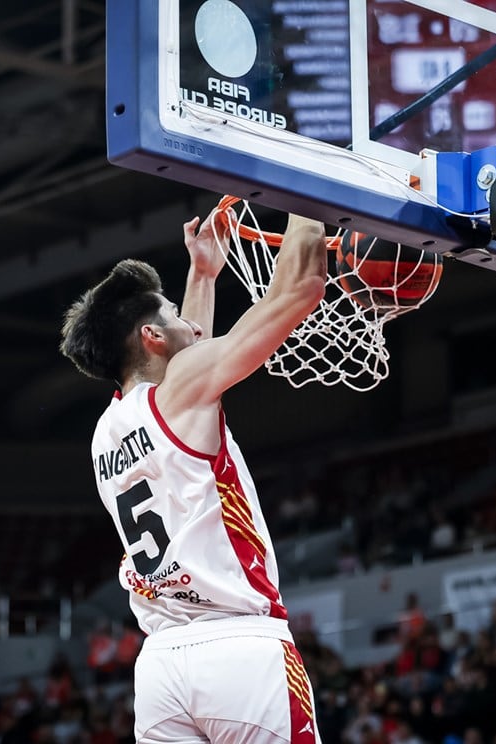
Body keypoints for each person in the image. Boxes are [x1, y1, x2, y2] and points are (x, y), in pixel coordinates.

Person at [59, 209, 327, 743]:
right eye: (177, 314)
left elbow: (185, 358)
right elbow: (298, 290)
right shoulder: (180, 393)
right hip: (238, 650)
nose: (192, 324)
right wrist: (305, 193)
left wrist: (202, 275)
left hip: (160, 667)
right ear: (153, 335)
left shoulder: (107, 431)